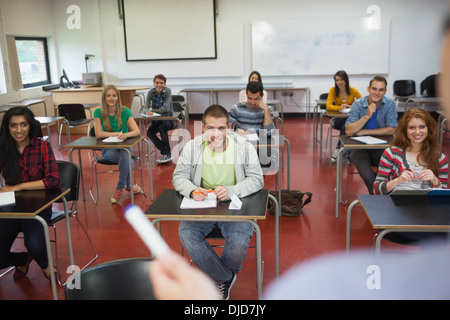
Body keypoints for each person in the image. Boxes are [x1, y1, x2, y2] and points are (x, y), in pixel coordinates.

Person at [172, 104, 264, 299]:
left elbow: (257, 179)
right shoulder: (192, 146)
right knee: (186, 233)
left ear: (229, 127)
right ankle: (224, 277)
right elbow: (179, 176)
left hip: (235, 205)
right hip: (203, 205)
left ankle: (218, 279)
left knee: (239, 241)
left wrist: (232, 190)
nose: (216, 134)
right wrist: (192, 189)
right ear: (203, 128)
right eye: (211, 128)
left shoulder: (243, 146)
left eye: (221, 128)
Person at [0, 107, 60, 281]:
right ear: (7, 128)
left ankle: (45, 264)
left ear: (30, 125)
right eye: (13, 125)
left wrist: (18, 187)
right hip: (9, 206)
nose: (19, 130)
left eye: (23, 125)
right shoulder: (3, 148)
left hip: (38, 205)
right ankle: (24, 259)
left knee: (35, 245)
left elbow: (53, 180)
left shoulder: (42, 146)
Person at [345, 76, 398, 194]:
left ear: (385, 91)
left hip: (381, 146)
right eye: (374, 89)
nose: (377, 93)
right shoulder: (358, 104)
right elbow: (349, 130)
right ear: (368, 89)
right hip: (359, 148)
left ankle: (380, 194)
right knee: (365, 172)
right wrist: (367, 116)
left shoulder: (389, 104)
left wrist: (365, 131)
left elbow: (391, 129)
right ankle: (377, 195)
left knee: (389, 167)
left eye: (381, 90)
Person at [93, 84, 142, 203]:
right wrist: (116, 134)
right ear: (104, 98)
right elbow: (99, 134)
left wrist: (125, 135)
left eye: (114, 95)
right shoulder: (98, 112)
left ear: (118, 97)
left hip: (124, 146)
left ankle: (120, 187)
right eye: (108, 95)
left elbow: (137, 131)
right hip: (107, 149)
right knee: (129, 160)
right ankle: (129, 186)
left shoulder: (125, 111)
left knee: (125, 152)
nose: (111, 98)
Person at [327, 70, 362, 162]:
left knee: (346, 125)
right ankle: (345, 152)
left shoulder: (353, 91)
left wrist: (355, 106)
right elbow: (328, 106)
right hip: (338, 119)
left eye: (341, 80)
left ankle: (339, 150)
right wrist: (339, 107)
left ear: (346, 80)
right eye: (337, 80)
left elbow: (363, 103)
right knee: (346, 125)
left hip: (349, 119)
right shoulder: (333, 90)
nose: (339, 82)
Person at [140, 74, 175, 164]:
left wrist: (152, 111)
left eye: (161, 83)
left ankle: (166, 154)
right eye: (157, 82)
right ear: (154, 83)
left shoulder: (168, 91)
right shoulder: (151, 92)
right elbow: (145, 107)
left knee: (162, 128)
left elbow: (166, 108)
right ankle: (165, 151)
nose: (159, 85)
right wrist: (146, 111)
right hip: (156, 120)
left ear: (165, 84)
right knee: (149, 132)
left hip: (168, 119)